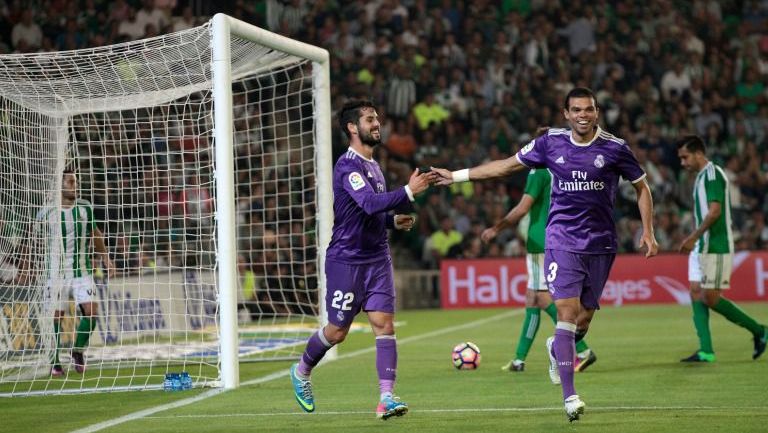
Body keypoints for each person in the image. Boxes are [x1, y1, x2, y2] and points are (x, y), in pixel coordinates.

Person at [432, 87, 658, 422]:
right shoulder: (550, 142)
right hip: (561, 240)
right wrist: (457, 176)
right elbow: (506, 166)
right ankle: (570, 397)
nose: (583, 115)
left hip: (600, 244)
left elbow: (642, 188)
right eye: (576, 110)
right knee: (565, 313)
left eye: (589, 110)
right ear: (566, 114)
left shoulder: (614, 148)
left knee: (582, 321)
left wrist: (648, 230)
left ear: (597, 112)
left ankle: (556, 347)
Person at [289, 100, 434, 419]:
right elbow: (368, 204)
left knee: (384, 325)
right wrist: (408, 193)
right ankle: (301, 372)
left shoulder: (374, 166)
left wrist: (391, 221)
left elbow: (372, 214)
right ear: (353, 128)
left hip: (377, 258)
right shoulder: (347, 166)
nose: (377, 123)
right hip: (347, 260)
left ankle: (386, 397)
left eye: (377, 118)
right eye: (370, 119)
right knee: (337, 331)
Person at [481, 164, 596, 373]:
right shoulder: (562, 169)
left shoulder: (538, 171)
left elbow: (523, 208)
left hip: (539, 241)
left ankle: (582, 349)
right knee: (533, 299)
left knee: (542, 298)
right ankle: (519, 360)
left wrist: (496, 228)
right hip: (559, 238)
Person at [676, 135, 767, 362]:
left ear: (698, 153)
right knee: (696, 291)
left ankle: (759, 330)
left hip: (715, 245)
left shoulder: (713, 174)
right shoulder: (699, 178)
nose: (682, 163)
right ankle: (706, 350)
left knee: (710, 296)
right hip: (702, 245)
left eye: (685, 157)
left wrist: (692, 237)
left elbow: (715, 212)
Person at [38, 169, 115, 376]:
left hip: (81, 272)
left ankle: (77, 350)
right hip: (55, 274)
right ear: (60, 185)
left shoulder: (85, 208)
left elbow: (95, 233)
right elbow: (34, 241)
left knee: (91, 313)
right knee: (55, 318)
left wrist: (105, 257)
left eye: (76, 182)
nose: (75, 186)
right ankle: (55, 363)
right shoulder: (46, 212)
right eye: (71, 182)